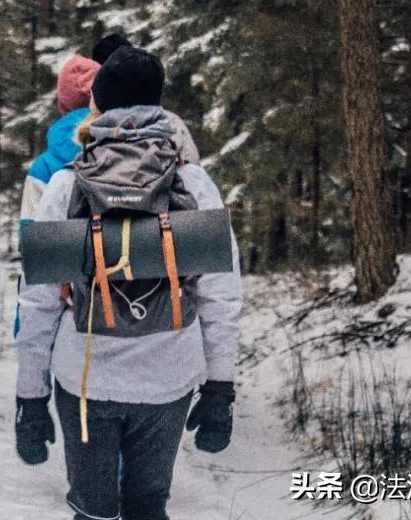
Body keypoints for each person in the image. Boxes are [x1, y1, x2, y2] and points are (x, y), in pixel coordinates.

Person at [14, 46, 242, 520]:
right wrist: (220, 388)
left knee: (93, 513)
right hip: (169, 378)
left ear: (98, 103)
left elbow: (38, 304)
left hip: (84, 379)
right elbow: (220, 295)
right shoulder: (194, 183)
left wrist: (29, 398)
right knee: (147, 507)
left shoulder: (66, 184)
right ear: (160, 103)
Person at [14, 34, 200, 338]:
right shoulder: (175, 137)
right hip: (167, 322)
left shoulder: (55, 169)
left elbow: (35, 261)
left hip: (82, 326)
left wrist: (31, 365)